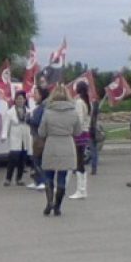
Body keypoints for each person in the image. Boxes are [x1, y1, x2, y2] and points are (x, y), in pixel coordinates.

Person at [38, 85, 83, 216]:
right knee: (62, 177)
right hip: (67, 144)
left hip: (51, 144)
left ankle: (49, 202)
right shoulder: (73, 112)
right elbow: (78, 131)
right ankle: (57, 206)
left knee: (48, 175)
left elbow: (41, 131)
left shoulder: (48, 112)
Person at [3, 91, 32, 186]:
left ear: (25, 100)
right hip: (15, 136)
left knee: (22, 159)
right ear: (15, 100)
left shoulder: (28, 111)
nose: (20, 101)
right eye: (18, 99)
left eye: (22, 99)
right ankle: (8, 178)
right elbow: (6, 124)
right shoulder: (10, 112)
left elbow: (31, 124)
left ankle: (19, 178)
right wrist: (4, 135)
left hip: (25, 136)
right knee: (13, 158)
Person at [69, 82, 93, 200]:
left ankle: (81, 190)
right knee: (80, 161)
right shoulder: (87, 102)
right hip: (85, 132)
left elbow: (78, 119)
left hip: (79, 133)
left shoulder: (79, 102)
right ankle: (82, 189)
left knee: (78, 161)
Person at [25, 87, 50, 191]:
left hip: (40, 137)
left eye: (35, 93)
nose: (34, 96)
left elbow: (37, 122)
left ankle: (43, 181)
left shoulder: (43, 107)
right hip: (36, 136)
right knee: (35, 159)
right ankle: (37, 180)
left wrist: (28, 119)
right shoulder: (40, 106)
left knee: (38, 159)